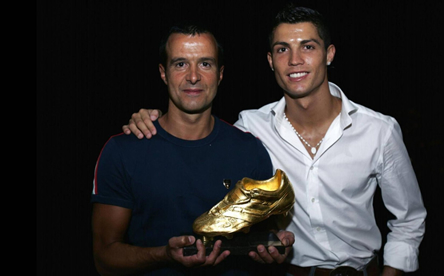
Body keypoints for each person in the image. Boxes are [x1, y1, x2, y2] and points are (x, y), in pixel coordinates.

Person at [123, 5, 427, 276]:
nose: (295, 60)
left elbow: (409, 219)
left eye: (307, 46)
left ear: (329, 53)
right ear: (270, 60)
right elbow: (197, 130)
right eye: (282, 49)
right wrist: (151, 119)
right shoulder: (251, 128)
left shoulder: (378, 130)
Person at [92, 23, 295, 276]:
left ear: (220, 74)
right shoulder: (122, 151)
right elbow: (104, 258)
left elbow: (264, 233)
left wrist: (275, 245)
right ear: (163, 73)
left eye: (205, 64)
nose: (193, 76)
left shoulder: (249, 149)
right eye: (180, 64)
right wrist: (164, 255)